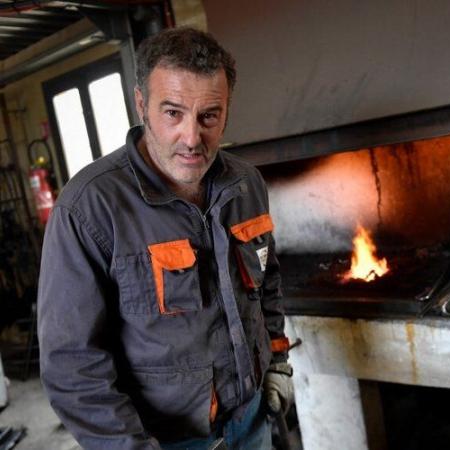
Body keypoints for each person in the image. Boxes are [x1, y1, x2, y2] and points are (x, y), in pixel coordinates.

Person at [37, 27, 293, 449]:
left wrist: (278, 364)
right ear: (141, 104)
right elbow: (73, 367)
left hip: (251, 421)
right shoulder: (88, 210)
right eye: (172, 113)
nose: (192, 138)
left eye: (209, 115)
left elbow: (268, 287)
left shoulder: (247, 185)